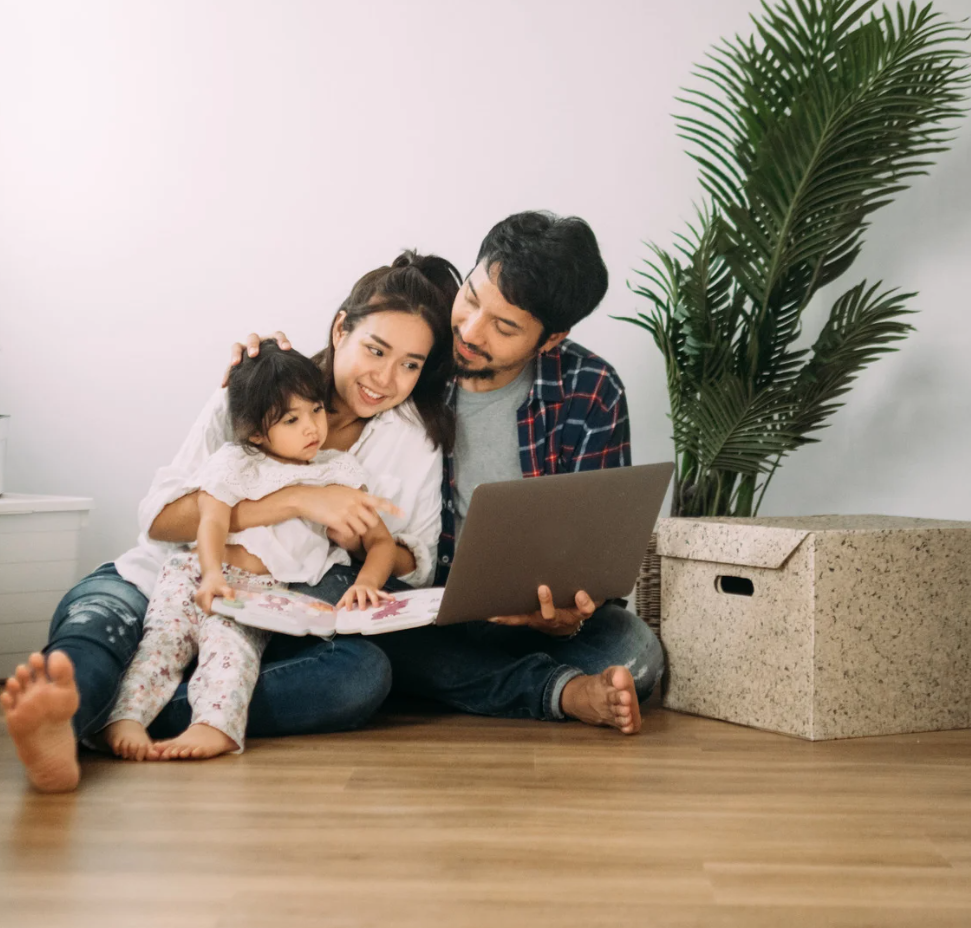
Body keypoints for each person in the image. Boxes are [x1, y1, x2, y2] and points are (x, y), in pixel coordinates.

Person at [0, 252, 460, 792]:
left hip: (266, 612)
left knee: (361, 676)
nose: (386, 377)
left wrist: (357, 545)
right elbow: (163, 520)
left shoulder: (409, 439)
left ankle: (126, 718)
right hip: (170, 577)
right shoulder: (253, 389)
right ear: (341, 329)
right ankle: (67, 717)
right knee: (99, 629)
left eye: (410, 364)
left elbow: (416, 561)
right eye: (375, 350)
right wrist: (297, 502)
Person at [240, 211, 665, 736]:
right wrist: (256, 368)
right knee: (361, 608)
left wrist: (565, 616)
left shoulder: (590, 389)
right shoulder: (414, 358)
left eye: (504, 327)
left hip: (525, 616)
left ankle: (442, 678)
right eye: (471, 296)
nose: (468, 330)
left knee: (636, 652)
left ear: (550, 339)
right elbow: (331, 380)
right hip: (414, 603)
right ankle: (553, 691)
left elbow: (599, 555)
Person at [101, 344, 398, 762]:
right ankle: (125, 718)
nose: (312, 427)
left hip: (257, 593)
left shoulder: (338, 472)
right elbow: (212, 520)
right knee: (163, 644)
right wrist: (209, 573)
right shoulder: (236, 461)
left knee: (232, 653)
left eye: (316, 410)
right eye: (292, 420)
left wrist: (367, 583)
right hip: (194, 573)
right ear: (258, 431)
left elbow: (381, 542)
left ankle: (212, 727)